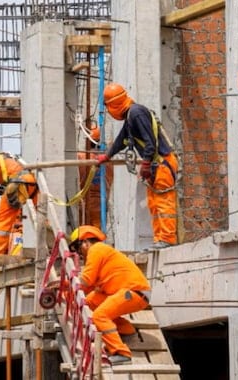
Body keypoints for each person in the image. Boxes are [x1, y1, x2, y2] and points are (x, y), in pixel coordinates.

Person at [95, 83, 179, 251]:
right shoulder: (130, 116)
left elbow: (150, 141)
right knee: (154, 203)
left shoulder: (136, 113)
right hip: (156, 164)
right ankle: (160, 239)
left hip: (162, 163)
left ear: (113, 104)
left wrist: (146, 163)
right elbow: (122, 139)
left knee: (163, 202)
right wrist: (108, 155)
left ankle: (168, 239)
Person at [68, 225, 151, 365]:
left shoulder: (96, 249)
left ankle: (121, 353)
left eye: (78, 248)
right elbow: (89, 287)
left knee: (100, 316)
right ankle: (126, 331)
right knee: (90, 302)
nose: (80, 253)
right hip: (127, 292)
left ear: (86, 242)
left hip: (133, 292)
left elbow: (86, 280)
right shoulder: (101, 252)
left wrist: (64, 284)